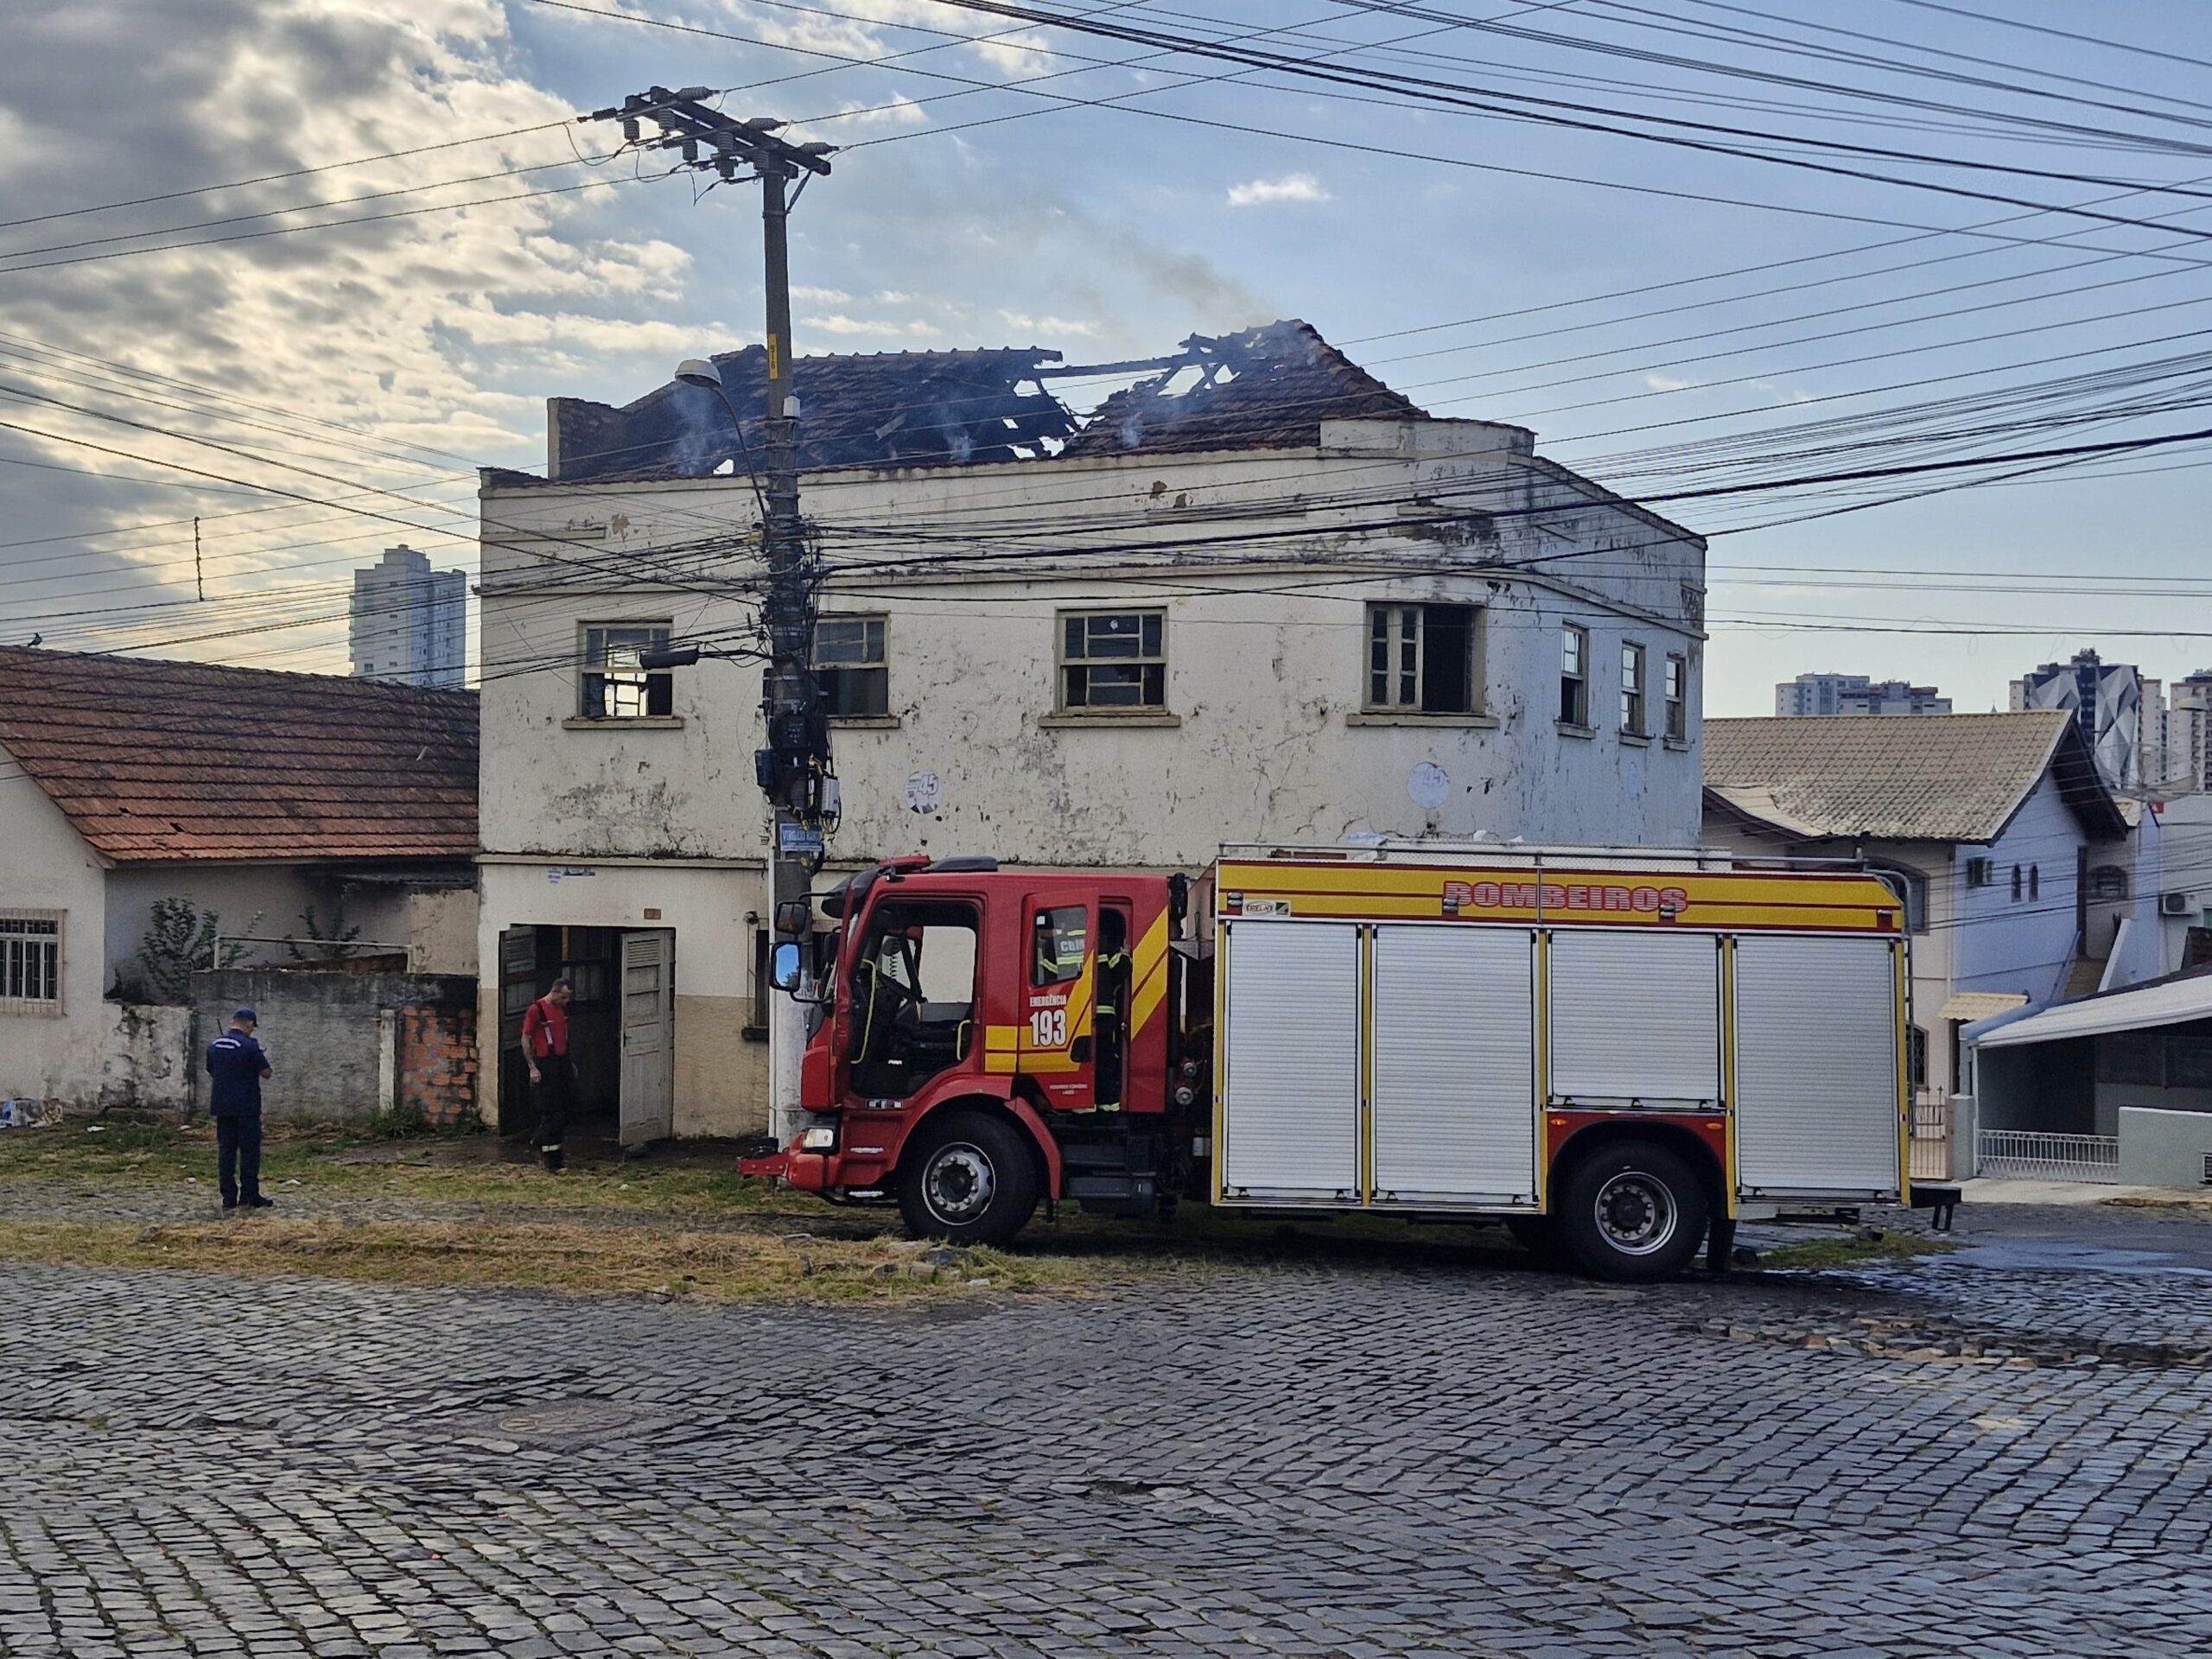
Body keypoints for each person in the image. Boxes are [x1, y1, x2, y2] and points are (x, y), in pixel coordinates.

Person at [205, 1007, 273, 1211]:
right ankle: (248, 1196)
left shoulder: (213, 1045)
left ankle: (228, 1197)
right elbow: (266, 1072)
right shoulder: (250, 1046)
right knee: (249, 1152)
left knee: (226, 1151)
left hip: (222, 1106)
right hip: (247, 1107)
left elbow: (211, 1070)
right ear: (249, 1024)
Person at [522, 977, 576, 1173]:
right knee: (551, 1112)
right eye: (563, 997)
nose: (566, 1002)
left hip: (561, 1062)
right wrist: (532, 1067)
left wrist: (570, 1063)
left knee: (564, 1110)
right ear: (554, 992)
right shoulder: (536, 1010)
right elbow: (526, 1038)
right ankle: (551, 1159)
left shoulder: (562, 1010)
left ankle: (550, 1148)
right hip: (546, 1064)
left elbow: (564, 1036)